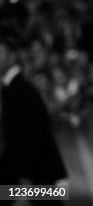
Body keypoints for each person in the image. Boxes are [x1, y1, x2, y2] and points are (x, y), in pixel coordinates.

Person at [0, 34, 68, 205]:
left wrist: (24, 186)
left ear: (12, 56)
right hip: (31, 179)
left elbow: (28, 139)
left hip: (38, 179)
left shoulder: (21, 91)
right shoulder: (12, 89)